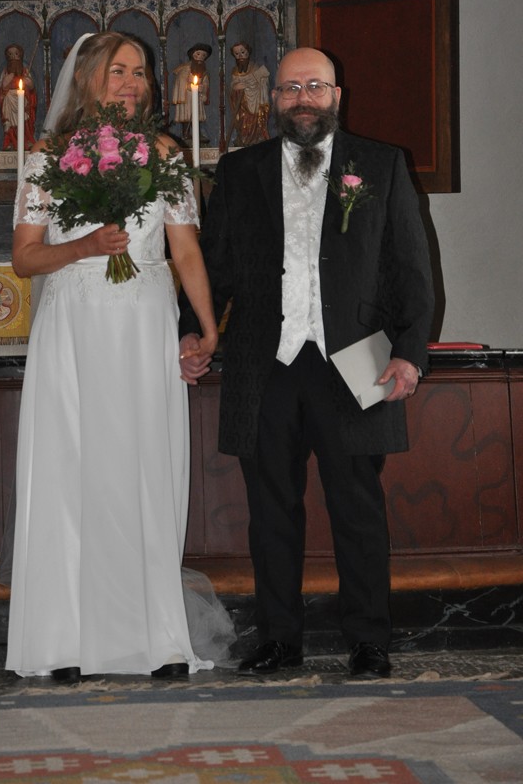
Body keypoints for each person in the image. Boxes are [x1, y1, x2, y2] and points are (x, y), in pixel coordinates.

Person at [179, 47, 435, 679]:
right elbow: (214, 265)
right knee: (269, 510)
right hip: (263, 363)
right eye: (291, 88)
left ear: (336, 96)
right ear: (274, 99)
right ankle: (278, 639)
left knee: (357, 507)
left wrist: (410, 353)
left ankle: (369, 641)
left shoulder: (381, 164)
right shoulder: (239, 170)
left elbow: (411, 267)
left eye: (315, 86)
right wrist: (193, 332)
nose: (303, 98)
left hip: (356, 358)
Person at [4, 31, 230, 681]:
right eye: (119, 70)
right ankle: (64, 642)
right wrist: (83, 247)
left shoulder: (167, 155)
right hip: (74, 327)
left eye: (140, 72)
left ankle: (155, 638)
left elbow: (186, 250)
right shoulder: (47, 158)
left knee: (144, 469)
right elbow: (24, 258)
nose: (133, 83)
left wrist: (207, 330)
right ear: (88, 79)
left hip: (144, 324)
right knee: (72, 473)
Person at [227, 41, 270, 146]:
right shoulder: (235, 71)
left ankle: (256, 138)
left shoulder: (255, 68)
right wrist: (236, 87)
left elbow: (264, 83)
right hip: (242, 106)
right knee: (243, 122)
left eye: (243, 52)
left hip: (256, 103)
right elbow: (232, 87)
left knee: (255, 121)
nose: (240, 56)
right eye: (237, 54)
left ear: (248, 52)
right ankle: (243, 138)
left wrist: (253, 86)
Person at [0, 44, 37, 150]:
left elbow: (31, 87)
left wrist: (28, 82)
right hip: (9, 102)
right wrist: (9, 77)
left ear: (20, 56)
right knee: (9, 123)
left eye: (16, 54)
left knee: (24, 120)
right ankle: (10, 141)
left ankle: (26, 139)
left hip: (23, 102)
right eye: (10, 54)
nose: (13, 57)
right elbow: (3, 87)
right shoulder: (6, 72)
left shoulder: (25, 72)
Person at [171, 43, 211, 145]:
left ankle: (197, 133)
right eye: (198, 54)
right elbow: (181, 82)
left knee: (197, 116)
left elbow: (205, 82)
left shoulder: (203, 70)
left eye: (203, 55)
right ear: (192, 55)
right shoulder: (185, 69)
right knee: (187, 115)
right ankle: (185, 133)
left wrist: (203, 89)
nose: (200, 57)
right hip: (187, 97)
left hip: (197, 97)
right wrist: (190, 86)